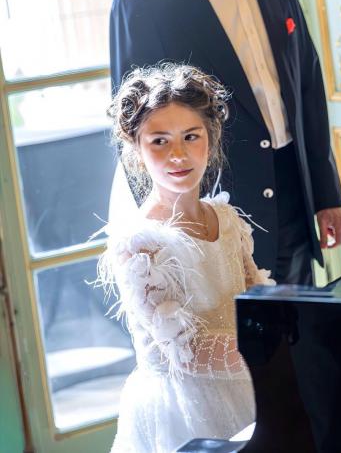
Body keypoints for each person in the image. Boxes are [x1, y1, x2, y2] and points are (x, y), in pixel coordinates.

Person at [109, 0, 341, 286]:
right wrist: (166, 240)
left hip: (295, 198)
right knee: (235, 334)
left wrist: (325, 193)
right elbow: (136, 136)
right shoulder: (142, 2)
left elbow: (307, 82)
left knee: (301, 327)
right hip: (211, 217)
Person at [98, 63, 274, 453]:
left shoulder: (225, 219)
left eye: (190, 137)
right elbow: (186, 351)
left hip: (248, 386)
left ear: (210, 141)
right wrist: (264, 349)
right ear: (137, 151)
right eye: (159, 141)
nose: (178, 154)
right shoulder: (141, 243)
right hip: (183, 408)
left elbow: (256, 299)